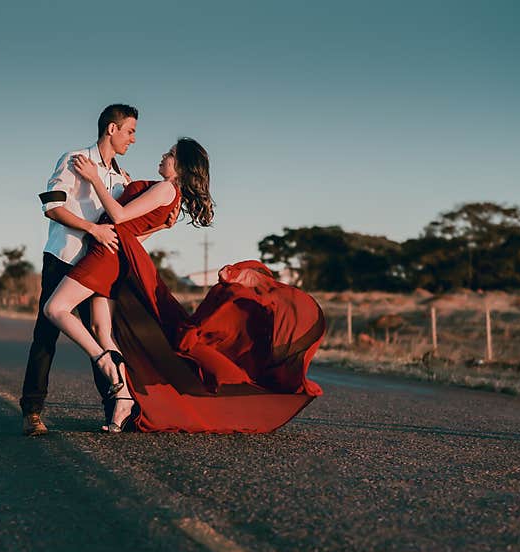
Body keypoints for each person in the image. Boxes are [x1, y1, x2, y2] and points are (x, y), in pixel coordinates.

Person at [44, 138, 326, 433]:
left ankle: (105, 363)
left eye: (170, 155)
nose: (163, 157)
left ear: (180, 166)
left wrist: (93, 179)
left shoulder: (166, 188)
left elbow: (119, 216)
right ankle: (124, 399)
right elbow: (137, 234)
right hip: (118, 256)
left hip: (105, 254)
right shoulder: (172, 199)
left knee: (55, 308)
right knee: (102, 330)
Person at [19, 104, 137, 436]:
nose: (133, 139)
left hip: (99, 265)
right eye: (130, 131)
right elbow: (52, 207)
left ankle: (114, 409)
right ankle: (32, 411)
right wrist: (92, 229)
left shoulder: (120, 175)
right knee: (46, 334)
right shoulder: (74, 159)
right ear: (111, 129)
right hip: (65, 257)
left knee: (100, 334)